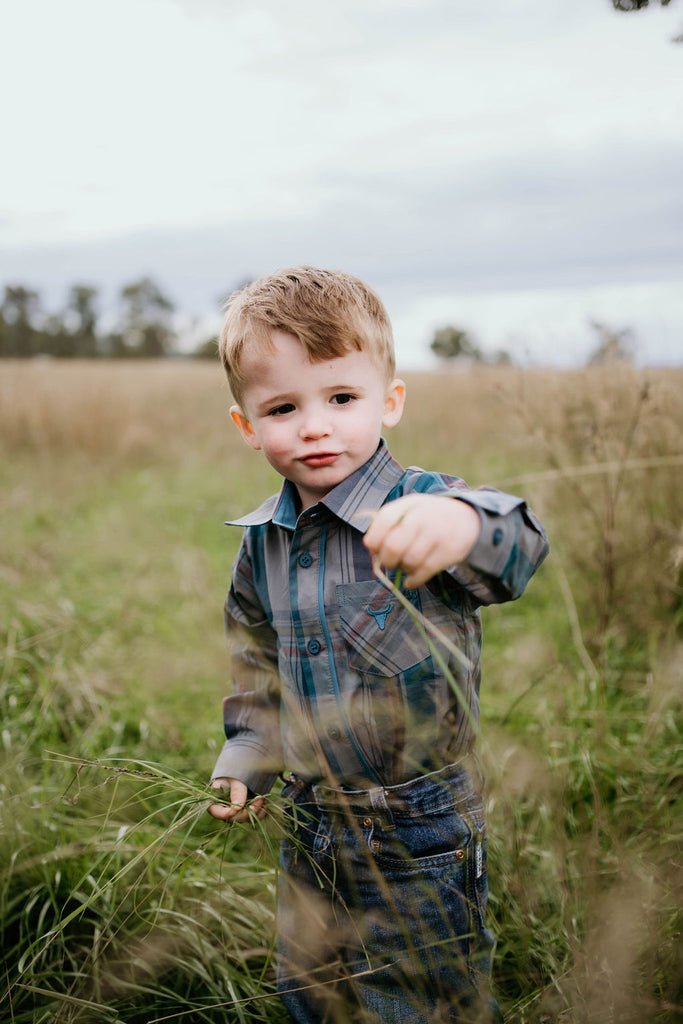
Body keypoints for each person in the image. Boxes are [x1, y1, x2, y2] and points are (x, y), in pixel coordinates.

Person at [207, 266, 549, 1024]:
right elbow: (256, 663)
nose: (314, 425)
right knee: (310, 990)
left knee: (420, 999)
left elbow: (518, 543)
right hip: (307, 816)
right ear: (247, 426)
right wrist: (248, 754)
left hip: (417, 823)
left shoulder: (424, 507)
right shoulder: (262, 545)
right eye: (282, 407)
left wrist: (464, 524)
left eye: (340, 399)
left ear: (387, 402)